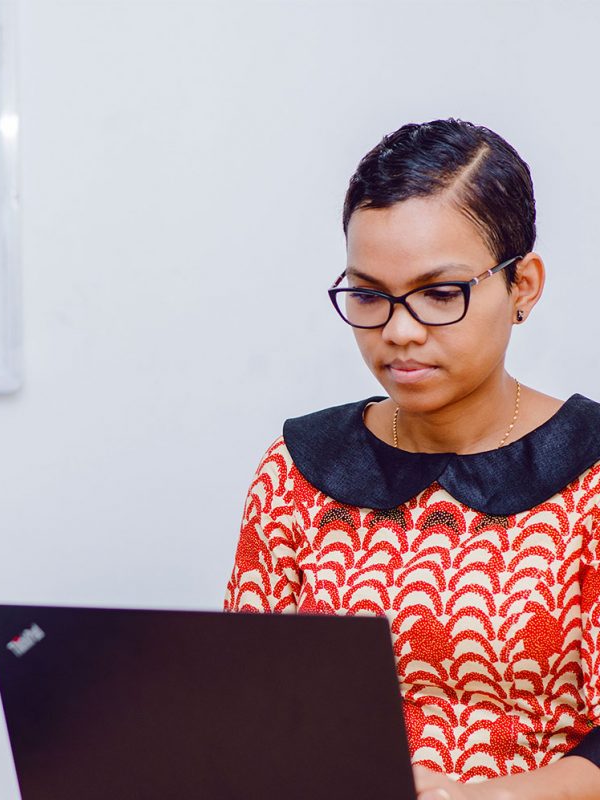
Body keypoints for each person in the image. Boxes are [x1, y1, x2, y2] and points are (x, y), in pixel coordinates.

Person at [224, 119, 600, 800]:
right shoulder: (297, 471)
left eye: (439, 293)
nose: (399, 331)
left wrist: (488, 795)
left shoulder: (591, 472)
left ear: (523, 285)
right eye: (369, 294)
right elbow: (247, 706)